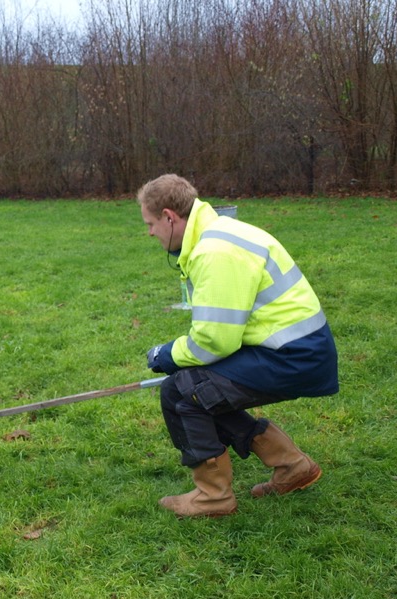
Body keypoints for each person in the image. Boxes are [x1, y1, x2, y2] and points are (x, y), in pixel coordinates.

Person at [138, 174, 338, 518]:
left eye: (152, 223)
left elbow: (214, 342)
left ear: (170, 217)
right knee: (202, 388)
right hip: (292, 348)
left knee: (184, 392)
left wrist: (166, 354)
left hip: (292, 355)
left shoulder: (215, 252)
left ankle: (213, 497)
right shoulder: (221, 233)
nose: (150, 233)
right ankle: (292, 466)